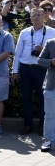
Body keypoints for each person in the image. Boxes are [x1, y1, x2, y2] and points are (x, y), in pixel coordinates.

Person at [12, 8, 55, 136]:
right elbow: (18, 52)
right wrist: (15, 71)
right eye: (33, 15)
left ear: (44, 17)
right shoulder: (25, 32)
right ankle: (28, 125)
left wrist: (44, 49)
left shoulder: (52, 32)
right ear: (30, 18)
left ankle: (43, 126)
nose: (35, 18)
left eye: (38, 15)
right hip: (26, 68)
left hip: (42, 68)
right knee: (26, 97)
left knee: (43, 98)